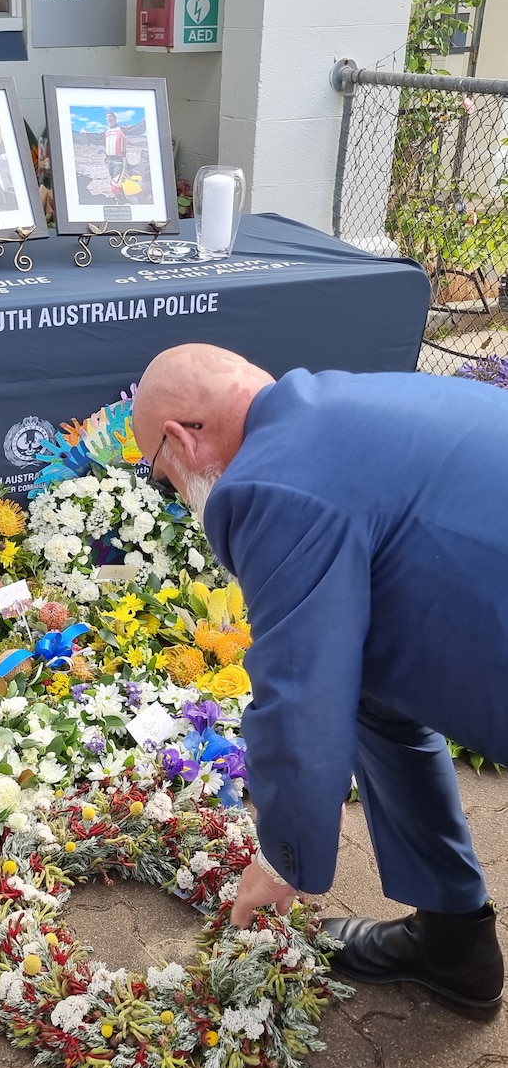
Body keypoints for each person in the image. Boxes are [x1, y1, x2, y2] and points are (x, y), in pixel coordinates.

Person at [131, 342, 508, 1021]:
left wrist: (282, 860)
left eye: (161, 478)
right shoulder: (331, 407)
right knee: (368, 687)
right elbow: (338, 668)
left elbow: (300, 692)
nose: (173, 496)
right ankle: (454, 939)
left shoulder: (269, 482)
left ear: (184, 436)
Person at [104, 110, 127, 197]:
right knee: (114, 180)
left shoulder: (121, 129)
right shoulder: (106, 131)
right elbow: (97, 137)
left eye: (110, 116)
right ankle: (120, 197)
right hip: (109, 160)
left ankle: (121, 199)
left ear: (115, 119)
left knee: (115, 183)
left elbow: (135, 129)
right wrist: (87, 134)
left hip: (119, 160)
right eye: (107, 117)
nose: (108, 118)